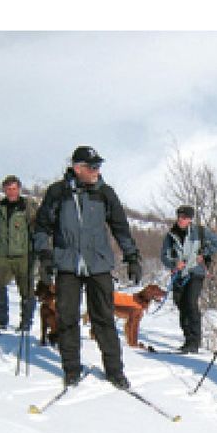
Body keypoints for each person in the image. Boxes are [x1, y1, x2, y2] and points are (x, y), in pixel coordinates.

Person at [33, 146, 141, 390]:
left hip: (98, 264)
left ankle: (115, 372)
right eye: (92, 167)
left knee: (103, 318)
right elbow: (41, 227)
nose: (96, 171)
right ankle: (71, 370)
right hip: (67, 264)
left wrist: (132, 256)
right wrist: (44, 255)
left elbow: (120, 227)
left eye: (98, 166)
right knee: (68, 318)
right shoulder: (57, 193)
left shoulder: (105, 193)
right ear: (77, 168)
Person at [160, 205, 217, 353]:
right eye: (179, 216)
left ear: (190, 219)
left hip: (196, 272)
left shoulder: (199, 232)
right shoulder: (171, 235)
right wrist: (174, 263)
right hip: (179, 274)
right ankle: (188, 339)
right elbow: (164, 256)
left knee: (190, 302)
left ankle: (194, 342)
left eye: (185, 217)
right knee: (181, 304)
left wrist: (205, 253)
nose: (181, 219)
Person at [0, 175, 37, 333]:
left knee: (26, 290)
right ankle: (1, 319)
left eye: (14, 188)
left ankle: (26, 322)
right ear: (4, 190)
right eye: (8, 189)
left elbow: (37, 226)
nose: (11, 192)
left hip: (24, 255)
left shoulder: (28, 206)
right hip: (4, 255)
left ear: (19, 189)